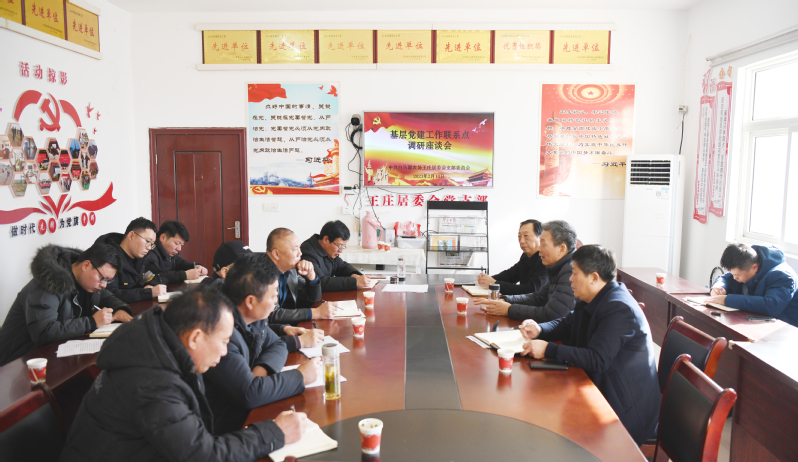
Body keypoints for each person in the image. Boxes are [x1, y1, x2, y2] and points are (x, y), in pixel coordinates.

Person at [59, 287, 308, 462]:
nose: (225, 352)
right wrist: (274, 433)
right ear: (196, 338)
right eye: (223, 341)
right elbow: (201, 455)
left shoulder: (162, 344)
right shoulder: (152, 383)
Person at [518, 245, 660, 446]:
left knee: (553, 429)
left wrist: (548, 349)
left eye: (575, 273)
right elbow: (568, 323)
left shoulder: (619, 308)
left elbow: (597, 359)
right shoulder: (595, 296)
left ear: (594, 277)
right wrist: (540, 329)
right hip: (600, 389)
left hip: (624, 410)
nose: (570, 279)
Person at [205, 255, 323, 434]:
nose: (276, 300)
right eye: (274, 294)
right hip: (223, 428)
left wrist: (260, 372)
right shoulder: (221, 332)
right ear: (251, 301)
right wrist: (300, 377)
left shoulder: (252, 317)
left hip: (244, 413)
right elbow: (250, 395)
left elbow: (277, 344)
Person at [0, 244, 131, 366]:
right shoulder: (49, 283)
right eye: (103, 278)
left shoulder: (88, 281)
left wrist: (120, 308)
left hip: (53, 354)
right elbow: (43, 332)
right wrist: (91, 322)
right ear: (86, 265)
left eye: (108, 280)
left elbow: (106, 296)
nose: (104, 285)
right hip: (18, 362)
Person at [474, 220, 578, 322]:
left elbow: (551, 314)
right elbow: (538, 297)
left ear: (561, 249)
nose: (539, 249)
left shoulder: (571, 272)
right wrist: (504, 300)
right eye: (519, 236)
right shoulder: (557, 267)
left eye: (543, 243)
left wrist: (509, 309)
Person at [710, 243, 798, 327]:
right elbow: (725, 278)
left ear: (754, 267)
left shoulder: (782, 276)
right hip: (755, 321)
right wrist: (719, 286)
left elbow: (771, 305)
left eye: (737, 275)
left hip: (783, 329)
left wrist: (727, 300)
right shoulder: (746, 260)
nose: (734, 278)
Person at [265, 228, 335, 324]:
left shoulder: (290, 269)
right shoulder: (262, 275)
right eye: (295, 249)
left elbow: (313, 299)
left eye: (299, 248)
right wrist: (316, 313)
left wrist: (312, 277)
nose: (300, 253)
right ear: (276, 254)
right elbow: (272, 314)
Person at [94, 217, 167, 302]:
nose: (149, 248)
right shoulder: (109, 258)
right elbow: (111, 294)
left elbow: (162, 275)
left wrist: (150, 285)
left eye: (152, 244)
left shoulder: (144, 256)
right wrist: (147, 293)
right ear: (131, 236)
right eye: (147, 241)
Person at [477, 219, 548, 295]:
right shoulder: (525, 256)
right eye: (519, 236)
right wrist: (486, 279)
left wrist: (494, 283)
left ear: (540, 237)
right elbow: (510, 275)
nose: (522, 241)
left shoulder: (545, 260)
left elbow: (531, 290)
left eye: (526, 236)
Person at [300, 220, 370, 292]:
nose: (341, 251)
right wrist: (354, 282)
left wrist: (354, 275)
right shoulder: (308, 253)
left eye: (343, 246)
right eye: (339, 245)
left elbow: (342, 266)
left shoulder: (328, 250)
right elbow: (321, 282)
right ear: (326, 239)